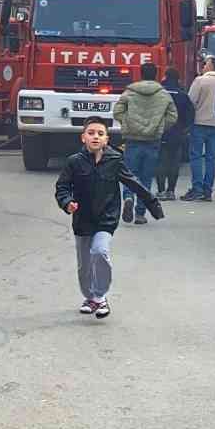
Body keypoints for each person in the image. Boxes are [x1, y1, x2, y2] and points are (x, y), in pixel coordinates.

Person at [54, 117, 163, 319]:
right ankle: (90, 297)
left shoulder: (114, 160)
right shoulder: (74, 162)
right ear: (83, 138)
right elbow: (62, 187)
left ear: (106, 140)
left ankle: (101, 296)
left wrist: (152, 204)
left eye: (100, 134)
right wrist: (67, 202)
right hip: (82, 219)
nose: (96, 136)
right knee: (84, 265)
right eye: (91, 133)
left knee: (100, 251)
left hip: (106, 217)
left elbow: (133, 182)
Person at [112, 62, 176, 225]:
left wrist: (126, 123)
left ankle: (128, 197)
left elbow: (117, 111)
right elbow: (172, 116)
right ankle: (140, 213)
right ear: (156, 74)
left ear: (140, 74)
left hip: (132, 139)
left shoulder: (130, 92)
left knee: (130, 173)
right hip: (153, 141)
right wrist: (160, 127)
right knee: (146, 177)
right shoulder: (163, 94)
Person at [183, 56, 215, 201]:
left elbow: (190, 101)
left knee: (196, 156)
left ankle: (197, 188)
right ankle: (208, 190)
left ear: (212, 66)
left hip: (199, 123)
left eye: (206, 63)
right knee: (211, 158)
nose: (203, 65)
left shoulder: (200, 81)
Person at [157, 68, 195, 201]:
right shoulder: (182, 94)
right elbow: (190, 114)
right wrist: (185, 130)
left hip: (160, 132)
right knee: (174, 162)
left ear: (165, 77)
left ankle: (161, 191)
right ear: (177, 79)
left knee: (161, 161)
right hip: (177, 133)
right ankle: (171, 191)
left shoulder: (159, 93)